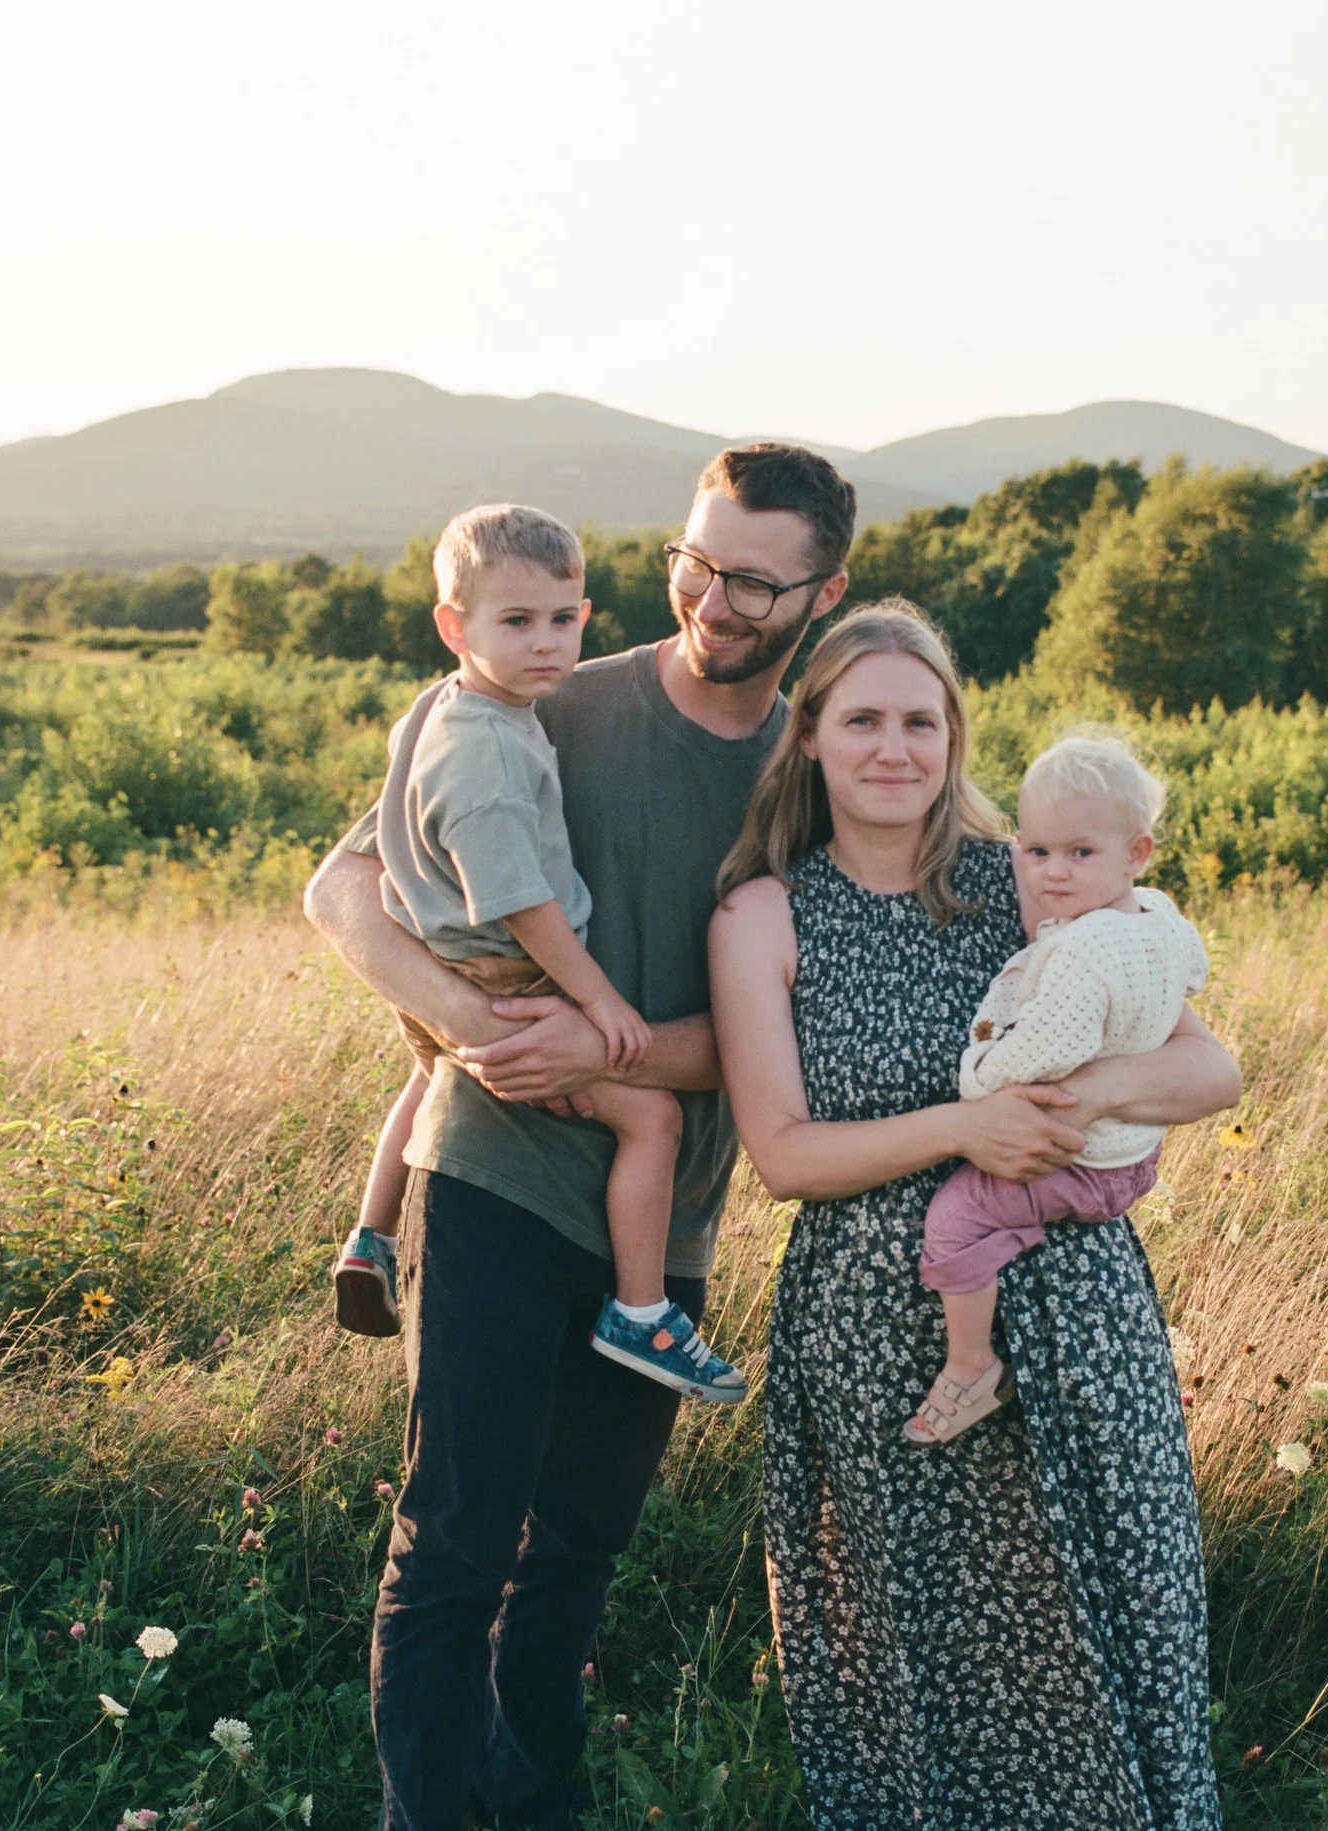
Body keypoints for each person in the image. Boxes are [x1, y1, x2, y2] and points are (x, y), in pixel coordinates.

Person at [305, 445, 915, 1831]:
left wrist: (604, 1040)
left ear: (820, 592)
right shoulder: (547, 697)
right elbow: (342, 885)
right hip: (496, 1170)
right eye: (699, 560)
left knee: (576, 1549)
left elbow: (800, 1037)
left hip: (665, 1221)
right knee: (455, 1538)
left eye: (756, 578)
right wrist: (475, 1018)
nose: (716, 595)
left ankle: (536, 1805)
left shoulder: (818, 775)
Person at [709, 604, 1236, 1828]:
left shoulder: (1038, 876)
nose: (894, 748)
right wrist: (963, 1129)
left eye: (920, 720)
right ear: (810, 741)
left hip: (1077, 1318)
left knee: (1104, 1632)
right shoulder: (764, 915)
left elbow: (1211, 1072)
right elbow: (781, 1155)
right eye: (863, 721)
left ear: (953, 736)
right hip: (882, 1345)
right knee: (924, 1663)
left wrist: (1079, 1094)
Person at [327, 501, 743, 1405]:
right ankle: (641, 1308)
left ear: (586, 614)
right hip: (505, 974)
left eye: (563, 619)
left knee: (427, 1074)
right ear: (454, 626)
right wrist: (601, 1006)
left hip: (432, 945)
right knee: (654, 1120)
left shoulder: (454, 705)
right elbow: (523, 906)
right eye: (516, 623)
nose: (546, 644)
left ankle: (371, 1236)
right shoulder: (484, 755)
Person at [903, 733, 1210, 1446]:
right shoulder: (1159, 916)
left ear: (1136, 853)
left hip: (1078, 1157)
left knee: (956, 1217)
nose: (1054, 873)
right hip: (1131, 1155)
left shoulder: (1085, 949)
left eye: (1080, 853)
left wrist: (980, 1077)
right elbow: (1192, 970)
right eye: (1037, 852)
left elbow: (1050, 1049)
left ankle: (970, 1364)